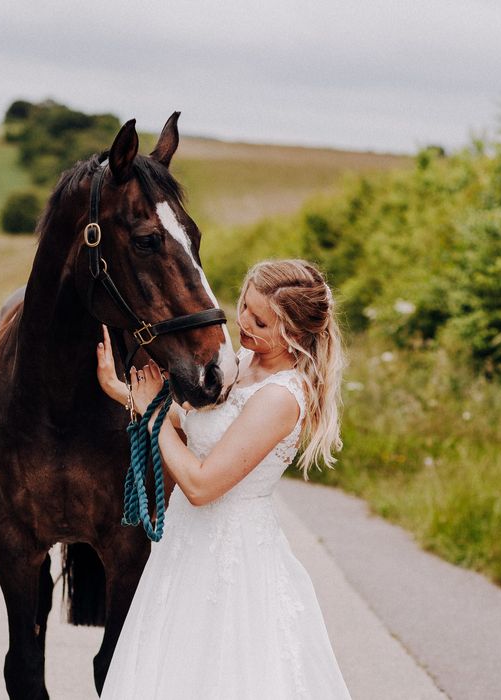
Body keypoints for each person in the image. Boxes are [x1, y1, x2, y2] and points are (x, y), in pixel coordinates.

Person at [96, 259, 352, 699]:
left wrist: (153, 415)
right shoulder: (244, 361)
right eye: (245, 307)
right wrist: (125, 392)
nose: (243, 324)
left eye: (260, 321)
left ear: (294, 331)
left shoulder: (281, 396)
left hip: (232, 554)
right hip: (184, 545)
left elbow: (200, 485)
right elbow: (194, 424)